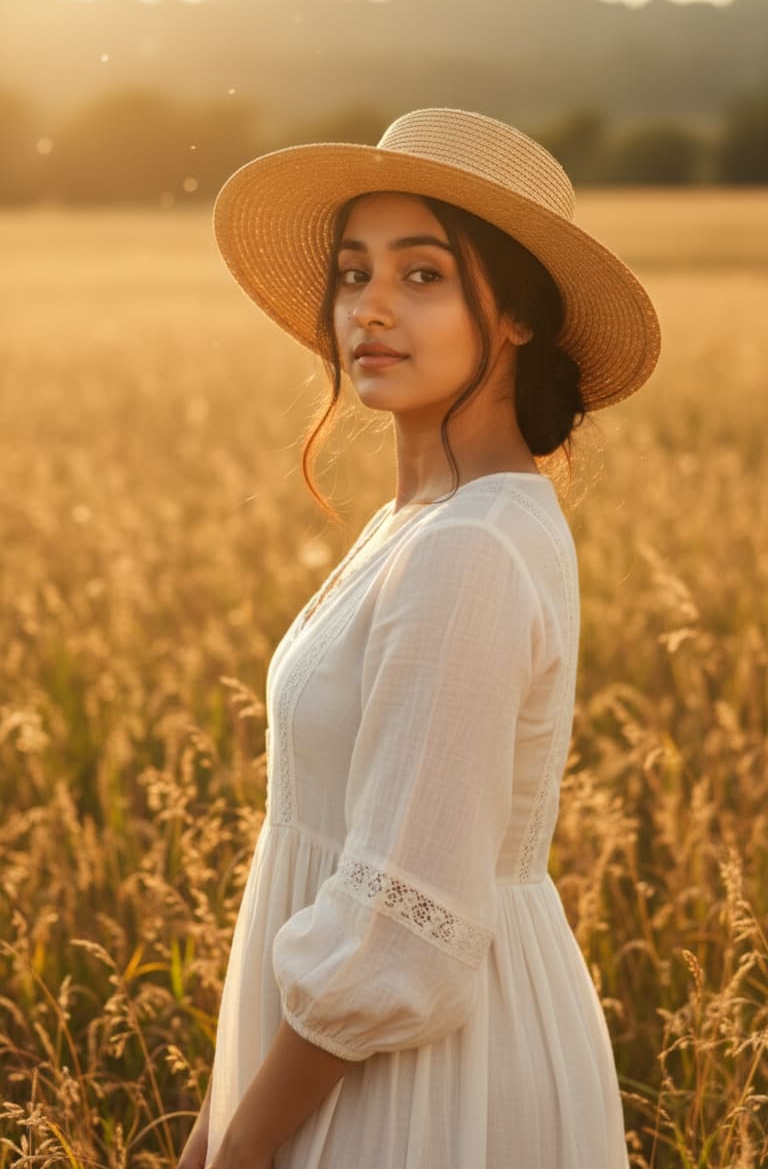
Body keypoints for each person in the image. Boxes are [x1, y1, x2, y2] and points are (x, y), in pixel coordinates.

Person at [178, 108, 660, 1169]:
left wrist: (240, 1147)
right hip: (347, 1059)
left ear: (520, 315)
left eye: (425, 274)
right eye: (354, 274)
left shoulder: (469, 549)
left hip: (421, 1084)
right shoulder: (427, 524)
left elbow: (399, 923)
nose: (372, 309)